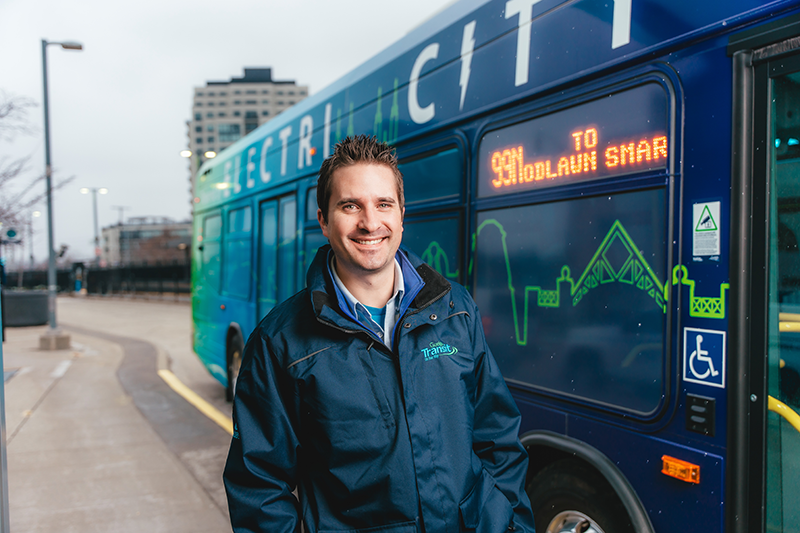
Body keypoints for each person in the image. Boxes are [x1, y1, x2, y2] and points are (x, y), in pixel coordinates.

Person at [224, 135, 536, 533]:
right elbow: (259, 486)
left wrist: (514, 526)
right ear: (323, 220)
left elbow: (498, 438)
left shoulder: (455, 309)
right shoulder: (280, 343)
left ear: (402, 215)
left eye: (383, 204)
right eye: (350, 205)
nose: (370, 223)